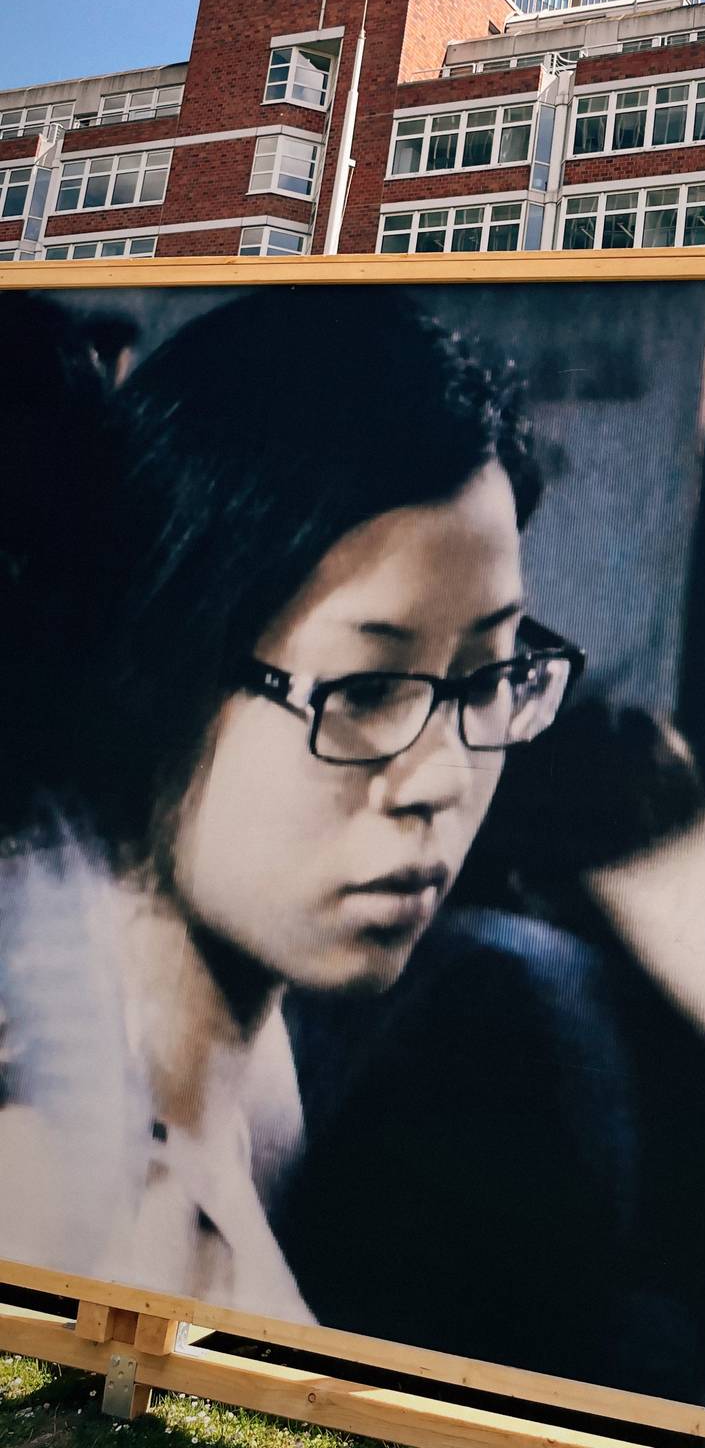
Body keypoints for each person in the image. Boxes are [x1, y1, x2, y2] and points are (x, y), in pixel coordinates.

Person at [0, 286, 584, 1316]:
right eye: (364, 690)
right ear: (157, 663)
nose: (443, 778)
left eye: (489, 675)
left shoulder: (298, 1052)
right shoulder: (58, 1204)